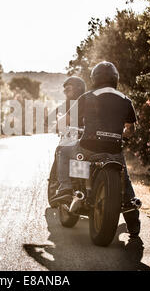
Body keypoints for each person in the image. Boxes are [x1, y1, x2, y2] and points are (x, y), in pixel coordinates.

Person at [50, 61, 141, 238]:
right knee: (125, 180)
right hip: (115, 149)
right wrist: (119, 134)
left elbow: (68, 120)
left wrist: (58, 124)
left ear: (94, 78)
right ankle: (132, 222)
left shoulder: (87, 97)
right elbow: (130, 129)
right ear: (115, 79)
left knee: (64, 152)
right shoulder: (125, 100)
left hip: (88, 148)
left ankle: (66, 189)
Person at [47, 76, 86, 207]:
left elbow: (51, 117)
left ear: (78, 88)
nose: (65, 93)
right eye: (64, 90)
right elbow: (51, 116)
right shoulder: (67, 104)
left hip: (79, 142)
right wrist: (52, 123)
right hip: (75, 140)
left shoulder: (84, 102)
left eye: (68, 89)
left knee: (60, 152)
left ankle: (62, 188)